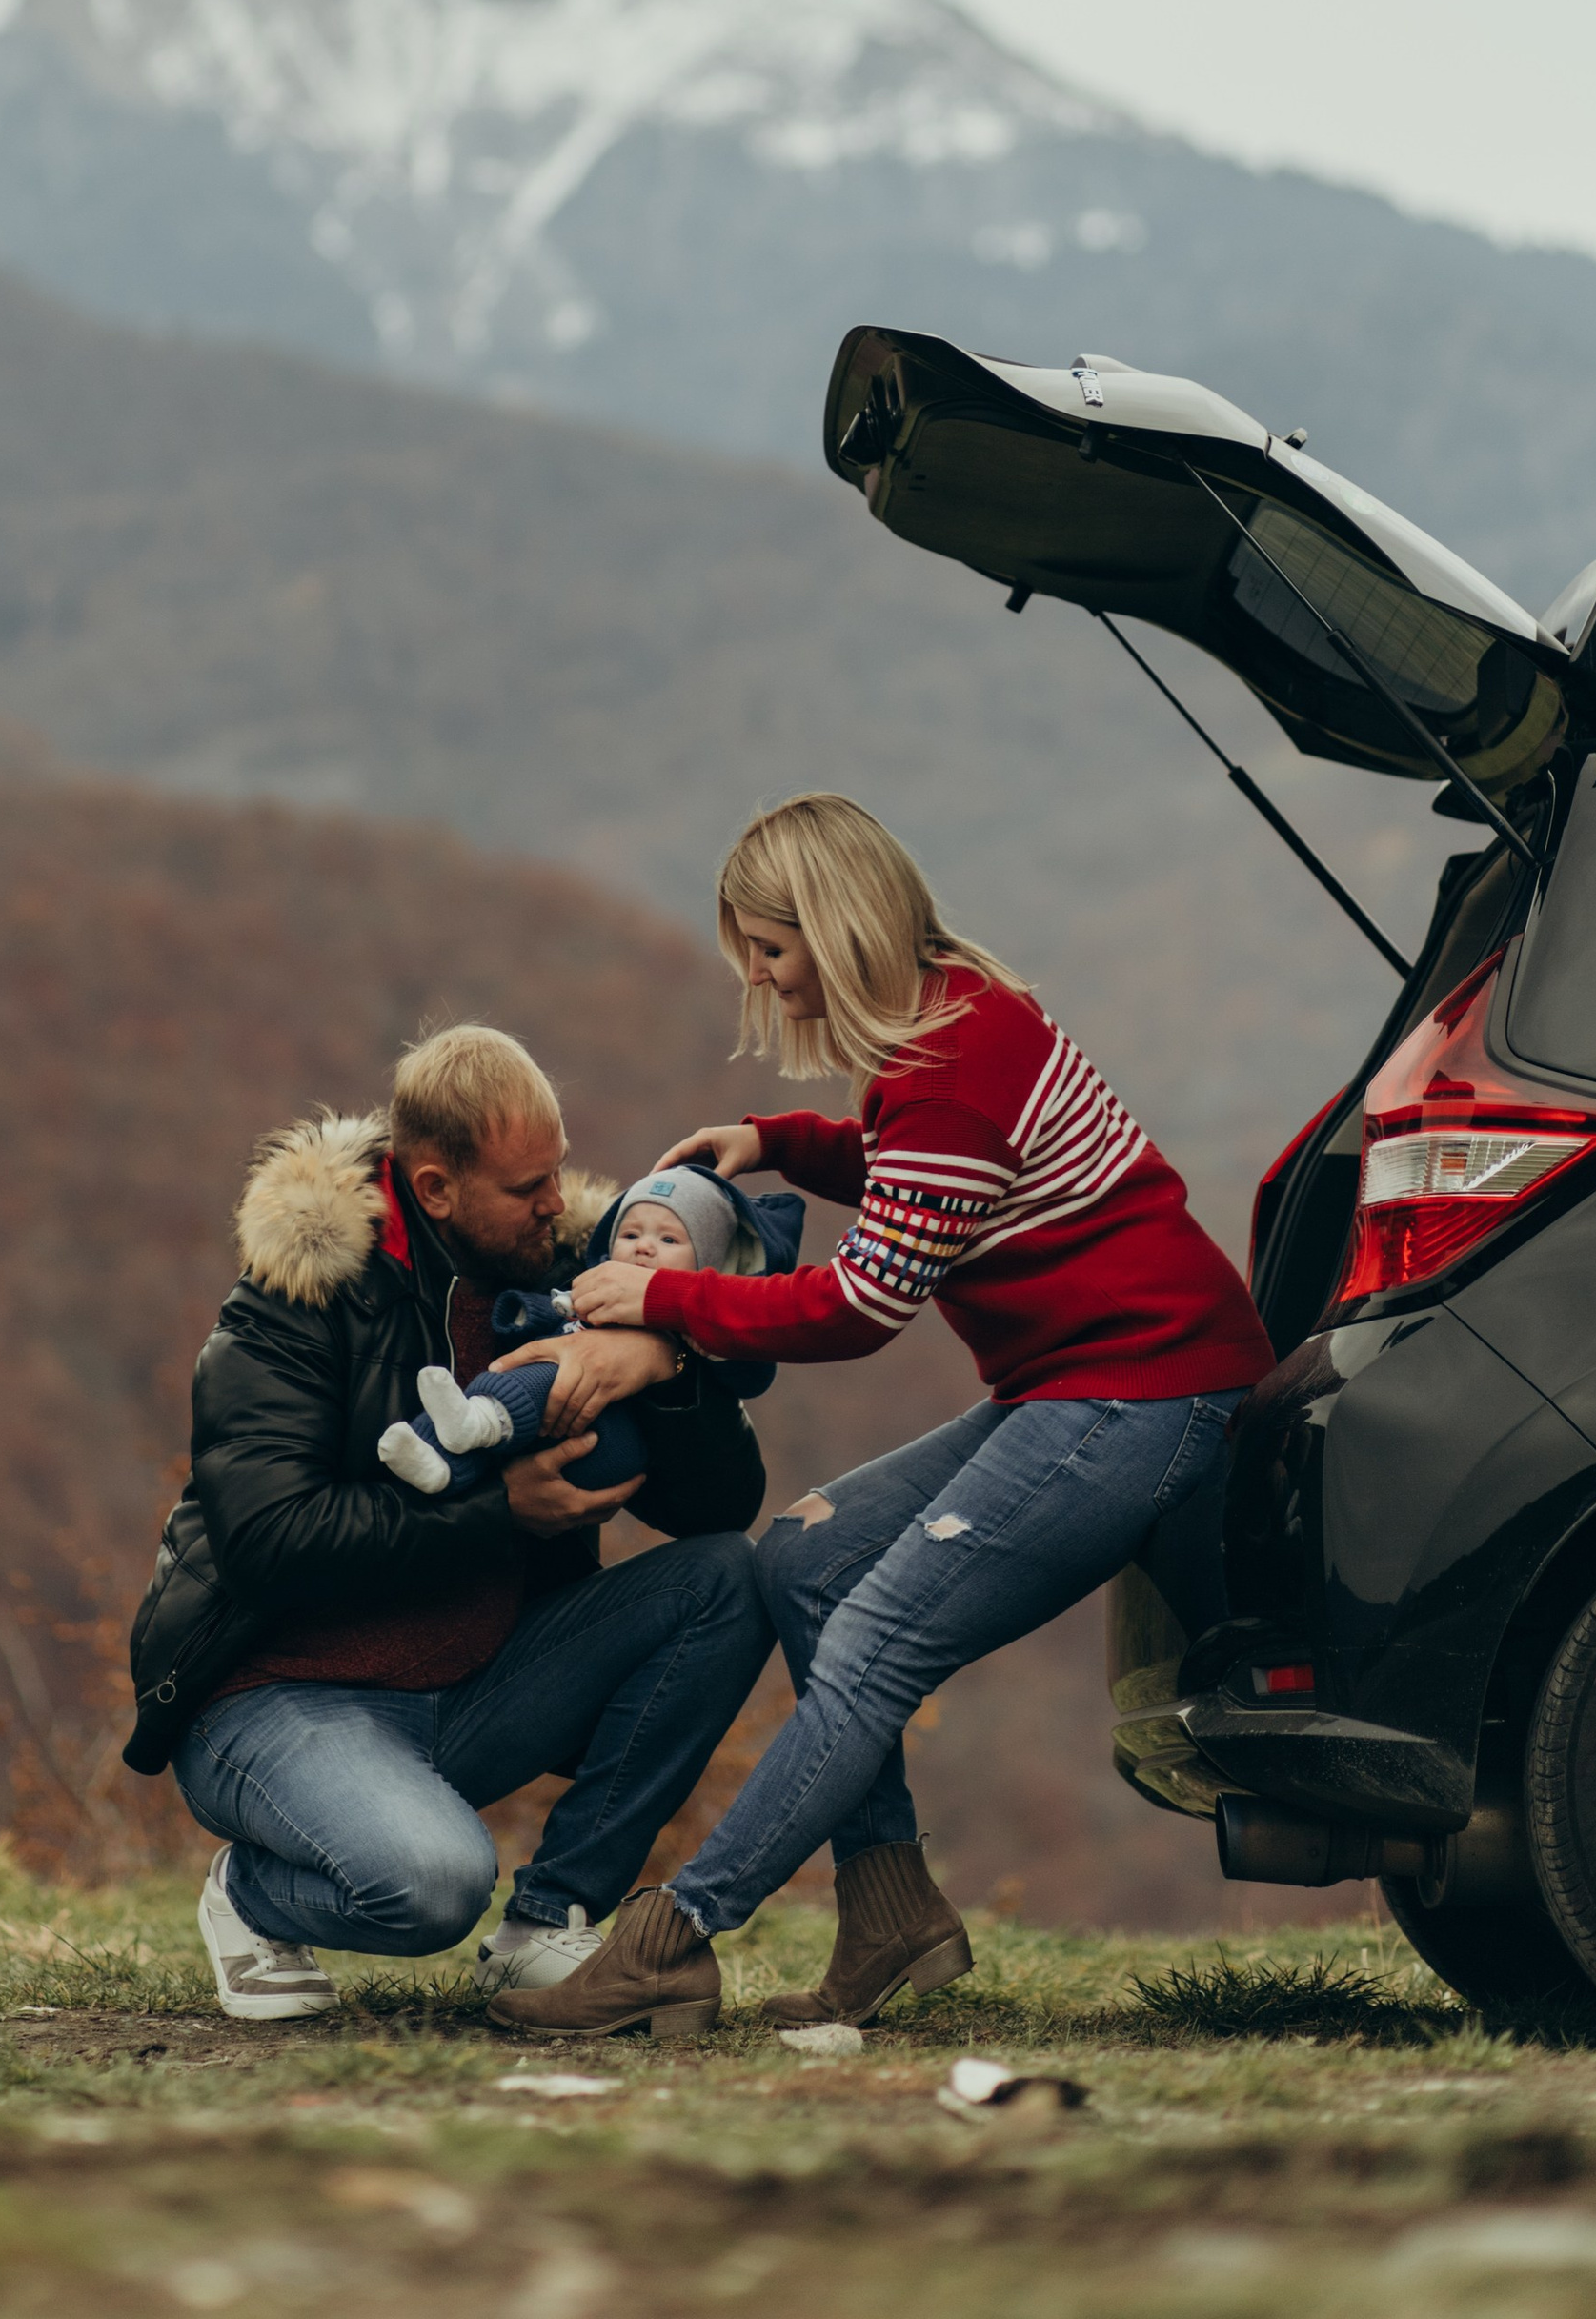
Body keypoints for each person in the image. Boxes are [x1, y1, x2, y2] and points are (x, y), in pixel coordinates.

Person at [488, 792, 1273, 2045]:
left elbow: (861, 1304)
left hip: (1147, 1389)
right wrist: (780, 1144)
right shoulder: (947, 1019)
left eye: (771, 948)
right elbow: (920, 1174)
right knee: (805, 1559)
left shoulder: (950, 1066)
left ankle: (671, 1940)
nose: (758, 976)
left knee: (874, 1643)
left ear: (839, 926)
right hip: (1078, 1380)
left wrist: (665, 1299)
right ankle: (890, 1912)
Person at [122, 1025, 775, 2022]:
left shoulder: (569, 1281)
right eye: (526, 1187)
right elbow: (264, 1542)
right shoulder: (297, 1298)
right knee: (431, 1888)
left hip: (473, 1687)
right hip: (274, 1699)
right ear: (434, 1188)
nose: (556, 1202)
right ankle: (249, 1894)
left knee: (727, 1579)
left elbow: (715, 1508)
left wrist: (666, 1357)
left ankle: (548, 1922)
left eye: (556, 1171)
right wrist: (496, 1512)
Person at [377, 1164, 805, 1496]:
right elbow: (555, 1310)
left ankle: (478, 1420)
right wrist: (523, 1314)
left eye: (669, 1240)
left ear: (705, 1267)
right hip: (538, 1434)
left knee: (547, 1373)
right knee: (496, 1412)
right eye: (631, 1233)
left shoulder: (694, 1331)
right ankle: (435, 1462)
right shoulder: (585, 1283)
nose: (644, 1246)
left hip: (606, 1443)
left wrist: (675, 1353)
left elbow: (751, 1374)